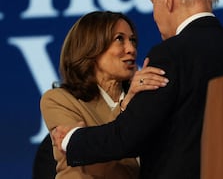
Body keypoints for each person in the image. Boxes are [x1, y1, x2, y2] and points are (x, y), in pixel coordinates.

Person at [52, 0, 223, 178]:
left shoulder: (171, 55)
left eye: (153, 2)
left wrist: (71, 138)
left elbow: (129, 136)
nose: (154, 15)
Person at [40, 11, 168, 179]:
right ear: (91, 47)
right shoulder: (59, 100)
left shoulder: (144, 100)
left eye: (133, 40)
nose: (131, 49)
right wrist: (125, 106)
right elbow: (93, 161)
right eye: (119, 39)